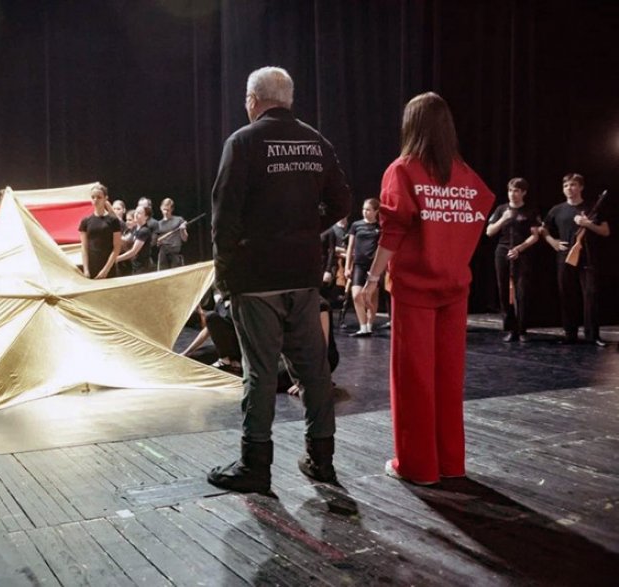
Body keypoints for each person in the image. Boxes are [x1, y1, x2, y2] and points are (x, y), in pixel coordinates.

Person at [208, 66, 351, 494]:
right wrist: (305, 230)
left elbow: (223, 220)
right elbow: (341, 202)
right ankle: (321, 460)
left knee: (259, 372)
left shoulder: (243, 142)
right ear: (288, 100)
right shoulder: (316, 141)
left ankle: (255, 464)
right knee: (315, 372)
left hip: (256, 280)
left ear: (253, 101)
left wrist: (224, 279)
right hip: (303, 278)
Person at [361, 92, 494, 485]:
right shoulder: (465, 175)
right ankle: (451, 462)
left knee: (414, 379)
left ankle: (418, 466)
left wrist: (372, 279)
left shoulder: (402, 170)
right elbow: (481, 209)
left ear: (411, 126)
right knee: (449, 379)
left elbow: (392, 232)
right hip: (455, 287)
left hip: (415, 290)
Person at [542, 173, 609, 346]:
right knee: (567, 295)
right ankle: (570, 334)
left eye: (573, 185)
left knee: (590, 295)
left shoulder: (591, 208)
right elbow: (543, 229)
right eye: (566, 186)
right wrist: (553, 242)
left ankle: (592, 335)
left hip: (588, 257)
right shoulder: (557, 209)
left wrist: (587, 224)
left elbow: (605, 231)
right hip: (565, 257)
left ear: (581, 187)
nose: (569, 189)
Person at [486, 177, 541, 342]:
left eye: (516, 191)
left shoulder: (530, 211)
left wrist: (519, 249)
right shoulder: (501, 209)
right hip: (502, 251)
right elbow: (489, 231)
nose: (512, 194)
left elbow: (535, 236)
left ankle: (522, 329)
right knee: (504, 291)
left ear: (523, 192)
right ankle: (511, 328)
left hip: (522, 252)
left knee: (522, 291)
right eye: (510, 190)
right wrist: (503, 219)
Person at [345, 199, 382, 336]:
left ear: (376, 211)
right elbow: (350, 247)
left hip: (373, 265)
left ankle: (369, 326)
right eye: (363, 209)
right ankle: (363, 325)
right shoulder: (356, 225)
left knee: (371, 297)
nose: (365, 212)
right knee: (356, 295)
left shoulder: (380, 227)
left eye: (368, 210)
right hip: (358, 264)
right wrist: (348, 266)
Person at [78, 183, 122, 279]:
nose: (95, 200)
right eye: (93, 197)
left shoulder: (113, 220)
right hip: (91, 266)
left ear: (105, 198)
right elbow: (84, 247)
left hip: (108, 267)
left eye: (99, 197)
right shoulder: (85, 221)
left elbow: (117, 247)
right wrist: (86, 269)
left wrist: (106, 270)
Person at [116, 205, 156, 274]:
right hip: (135, 265)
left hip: (143, 267)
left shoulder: (144, 231)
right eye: (136, 212)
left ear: (146, 217)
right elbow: (126, 240)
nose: (136, 215)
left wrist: (116, 259)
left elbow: (134, 251)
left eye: (139, 213)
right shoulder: (135, 229)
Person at [156, 198, 188, 270]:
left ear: (172, 209)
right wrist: (157, 242)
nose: (166, 212)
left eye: (168, 210)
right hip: (163, 253)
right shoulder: (158, 224)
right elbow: (156, 242)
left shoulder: (179, 220)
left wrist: (182, 230)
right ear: (160, 208)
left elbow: (185, 239)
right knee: (163, 275)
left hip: (175, 252)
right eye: (164, 209)